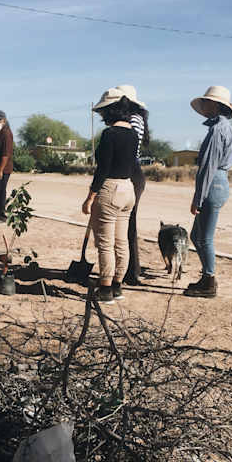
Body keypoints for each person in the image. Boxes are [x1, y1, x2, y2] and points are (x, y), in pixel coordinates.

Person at [82, 87, 139, 304]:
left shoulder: (109, 134)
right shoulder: (133, 134)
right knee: (121, 240)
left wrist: (90, 196)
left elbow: (102, 169)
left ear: (110, 111)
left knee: (105, 243)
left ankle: (104, 288)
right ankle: (117, 285)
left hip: (110, 188)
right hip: (128, 188)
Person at [184, 85, 232, 299]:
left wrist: (198, 198)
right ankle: (207, 278)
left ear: (215, 104)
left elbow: (208, 166)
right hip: (219, 182)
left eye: (206, 102)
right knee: (196, 236)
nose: (203, 106)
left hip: (213, 184)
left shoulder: (217, 130)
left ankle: (209, 281)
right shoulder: (223, 128)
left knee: (204, 238)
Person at [121, 86, 149, 286]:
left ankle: (130, 271)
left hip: (130, 172)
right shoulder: (134, 118)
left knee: (127, 224)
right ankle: (130, 270)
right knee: (126, 224)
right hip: (132, 171)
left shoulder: (133, 120)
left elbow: (127, 150)